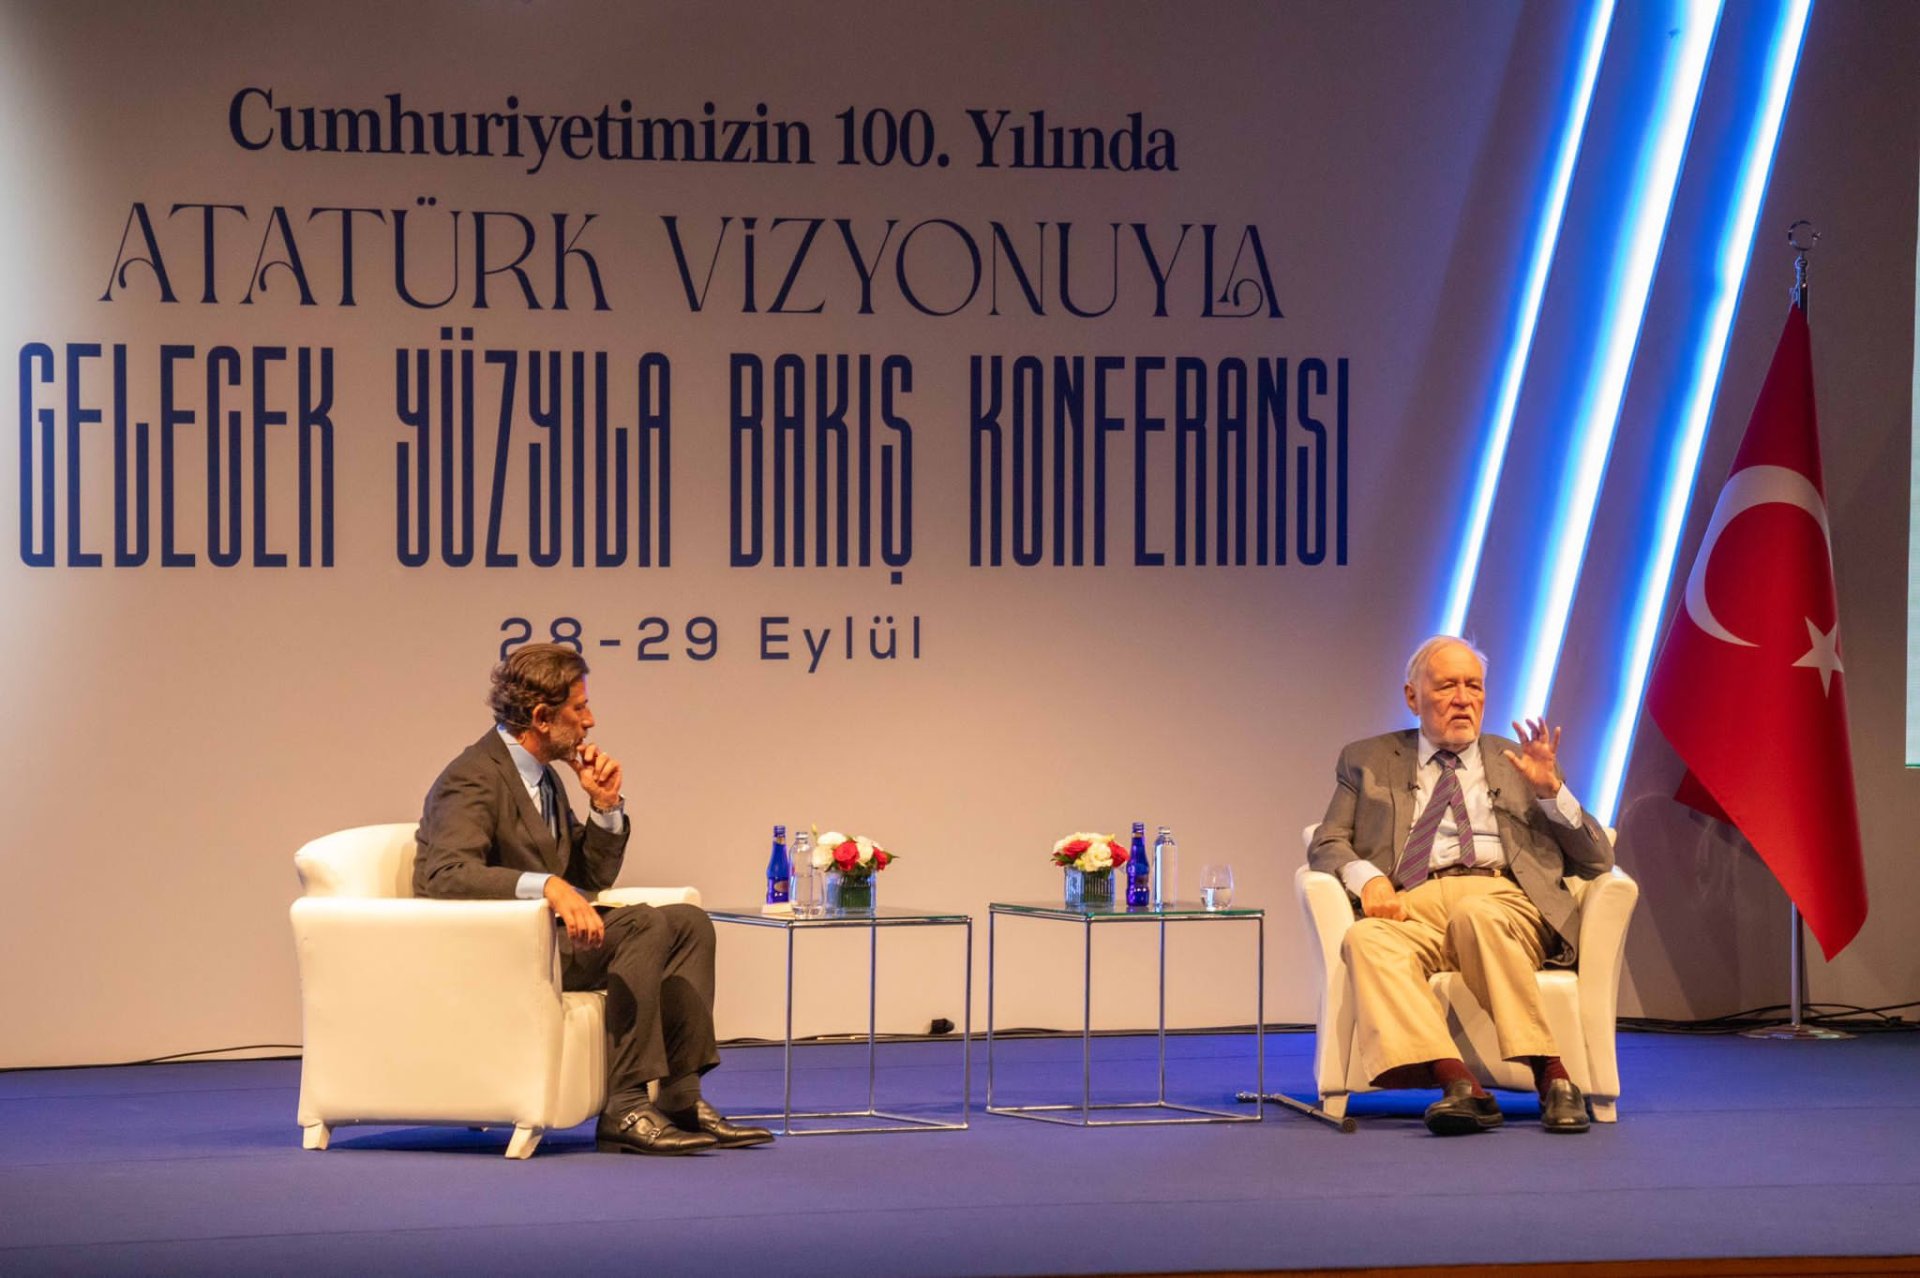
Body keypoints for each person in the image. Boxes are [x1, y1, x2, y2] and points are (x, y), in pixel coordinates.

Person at [414, 643, 772, 1155]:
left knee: (688, 923)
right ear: (542, 717)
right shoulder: (474, 775)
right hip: (502, 948)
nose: (590, 720)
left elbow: (589, 874)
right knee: (644, 924)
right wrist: (547, 886)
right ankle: (626, 1105)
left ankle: (680, 1096)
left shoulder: (544, 776)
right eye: (579, 708)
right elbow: (445, 874)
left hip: (549, 941)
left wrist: (605, 807)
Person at [1307, 635, 1614, 1135]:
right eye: (1447, 686)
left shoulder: (1520, 760)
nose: (1463, 699)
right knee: (1365, 937)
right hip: (1414, 905)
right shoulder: (1366, 760)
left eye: (1474, 686)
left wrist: (1551, 792)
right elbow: (1328, 841)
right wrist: (1369, 879)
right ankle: (1462, 1086)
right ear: (1413, 697)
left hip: (1503, 902)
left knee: (1477, 916)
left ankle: (1553, 1076)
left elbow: (1598, 859)